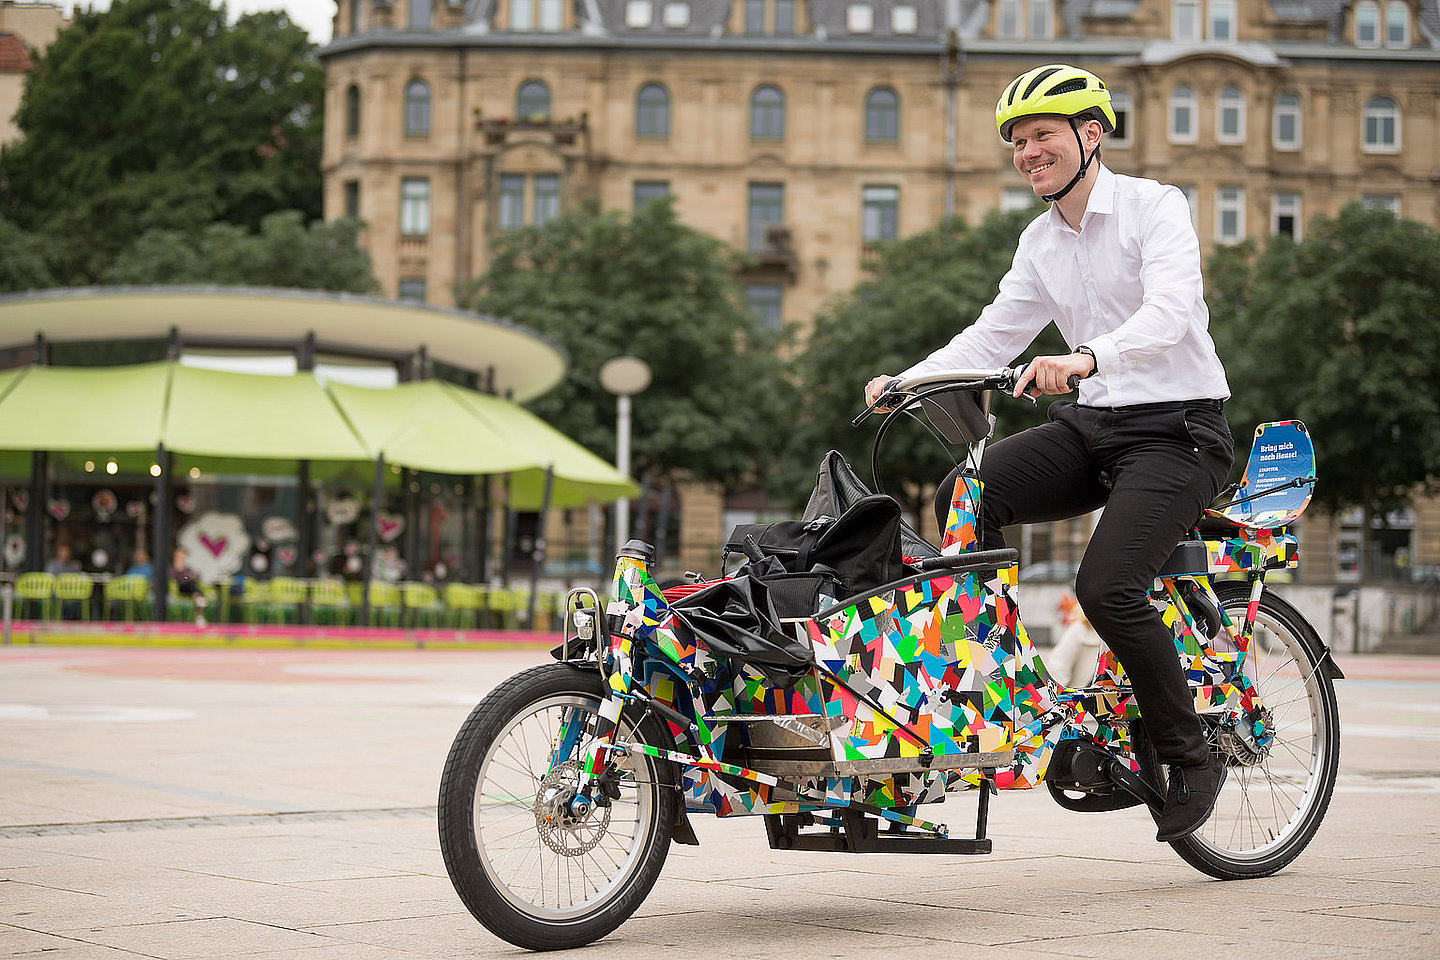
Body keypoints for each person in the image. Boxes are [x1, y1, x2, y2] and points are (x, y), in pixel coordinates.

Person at [863, 64, 1234, 843]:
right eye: (1019, 141)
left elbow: (1169, 313)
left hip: (1179, 433)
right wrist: (910, 379)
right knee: (965, 493)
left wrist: (1089, 358)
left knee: (1105, 585)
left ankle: (1190, 754)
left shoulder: (1153, 208)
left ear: (1090, 134)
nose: (1029, 151)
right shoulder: (1040, 240)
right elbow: (993, 334)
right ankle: (1009, 685)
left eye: (1044, 136)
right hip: (1093, 428)